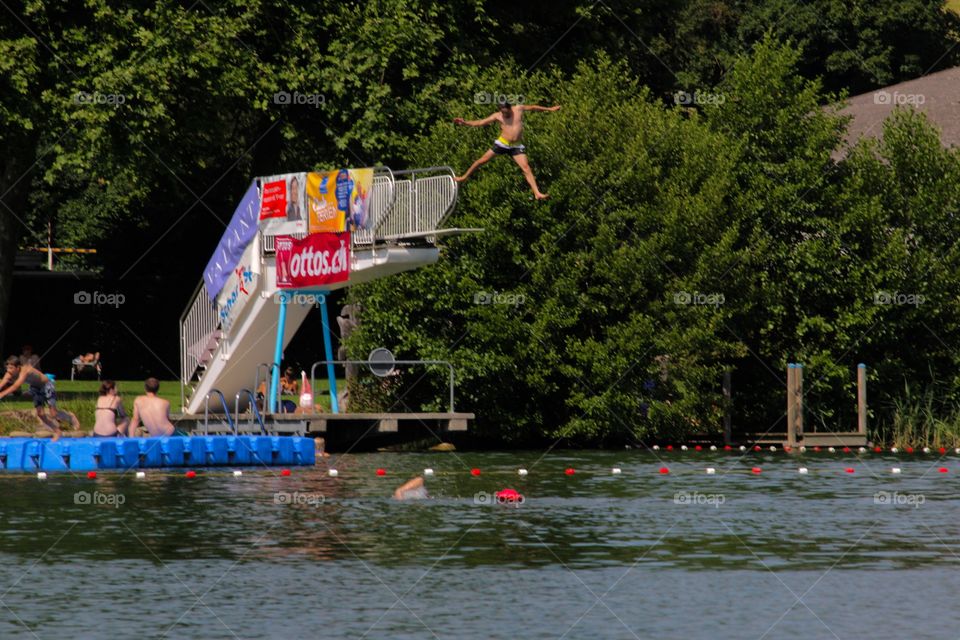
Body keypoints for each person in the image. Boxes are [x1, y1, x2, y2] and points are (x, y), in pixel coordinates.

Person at [453, 98, 561, 200]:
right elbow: (481, 122)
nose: (505, 114)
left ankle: (537, 193)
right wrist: (465, 122)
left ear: (510, 108)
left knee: (526, 168)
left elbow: (533, 107)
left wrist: (550, 109)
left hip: (516, 146)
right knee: (481, 161)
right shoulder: (497, 116)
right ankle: (464, 177)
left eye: (507, 112)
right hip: (502, 144)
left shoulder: (518, 109)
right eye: (503, 112)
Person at [0, 355, 80, 441]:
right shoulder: (9, 373)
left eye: (11, 368)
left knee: (54, 413)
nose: (9, 370)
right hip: (35, 388)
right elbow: (2, 383)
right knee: (40, 414)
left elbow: (16, 386)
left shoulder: (25, 370)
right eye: (7, 368)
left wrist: (2, 394)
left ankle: (70, 417)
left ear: (18, 367)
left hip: (47, 385)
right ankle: (57, 431)